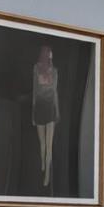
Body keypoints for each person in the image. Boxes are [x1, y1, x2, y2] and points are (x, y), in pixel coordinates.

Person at [32, 45, 60, 188]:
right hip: (39, 108)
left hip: (50, 109)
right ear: (45, 54)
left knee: (49, 145)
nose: (51, 55)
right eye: (50, 53)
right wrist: (32, 114)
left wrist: (58, 111)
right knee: (42, 143)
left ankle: (47, 174)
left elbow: (55, 92)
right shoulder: (36, 68)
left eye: (52, 53)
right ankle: (43, 162)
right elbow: (34, 91)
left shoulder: (54, 71)